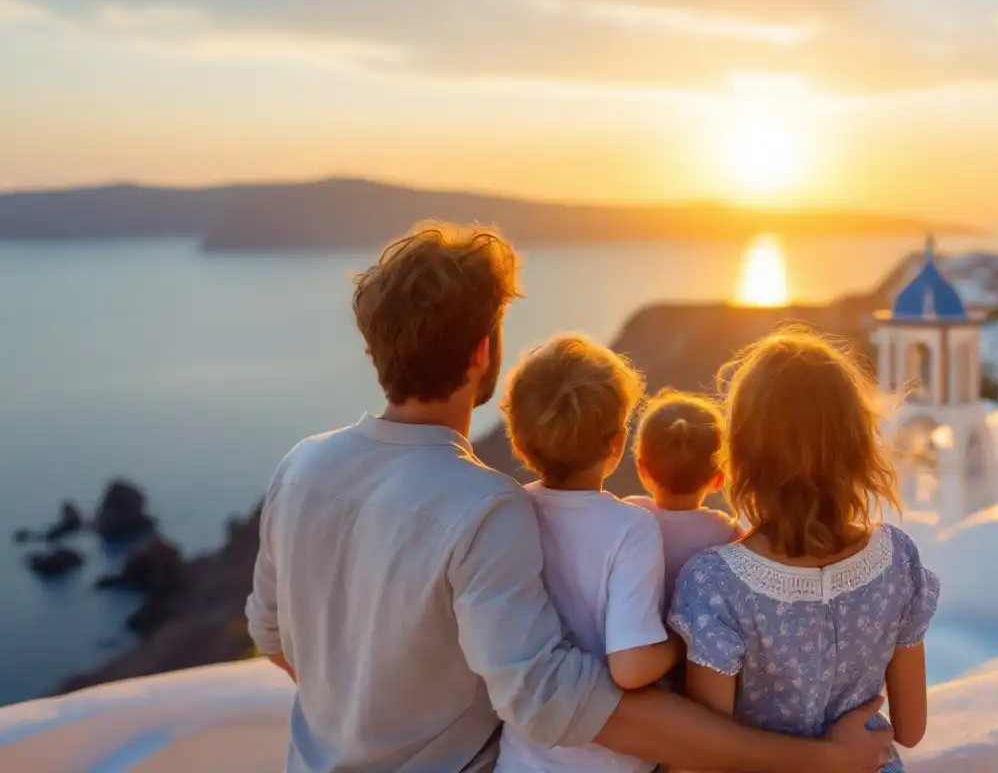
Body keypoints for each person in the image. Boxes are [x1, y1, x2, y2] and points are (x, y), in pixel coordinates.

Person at [244, 222, 892, 773]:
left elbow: (273, 637)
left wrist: (375, 699)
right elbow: (563, 706)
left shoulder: (300, 467)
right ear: (482, 354)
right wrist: (819, 762)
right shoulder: (483, 508)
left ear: (375, 345)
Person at [669, 328, 941, 773]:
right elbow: (909, 730)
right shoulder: (898, 559)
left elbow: (705, 757)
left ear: (741, 453)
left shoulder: (714, 584)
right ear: (858, 447)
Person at [494, 334, 676, 773]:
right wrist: (681, 640)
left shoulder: (506, 512)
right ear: (617, 444)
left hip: (520, 761)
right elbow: (631, 668)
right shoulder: (630, 527)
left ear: (518, 441)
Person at [624, 390, 741, 599]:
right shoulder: (726, 532)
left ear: (642, 470)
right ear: (719, 479)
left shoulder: (629, 513)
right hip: (692, 630)